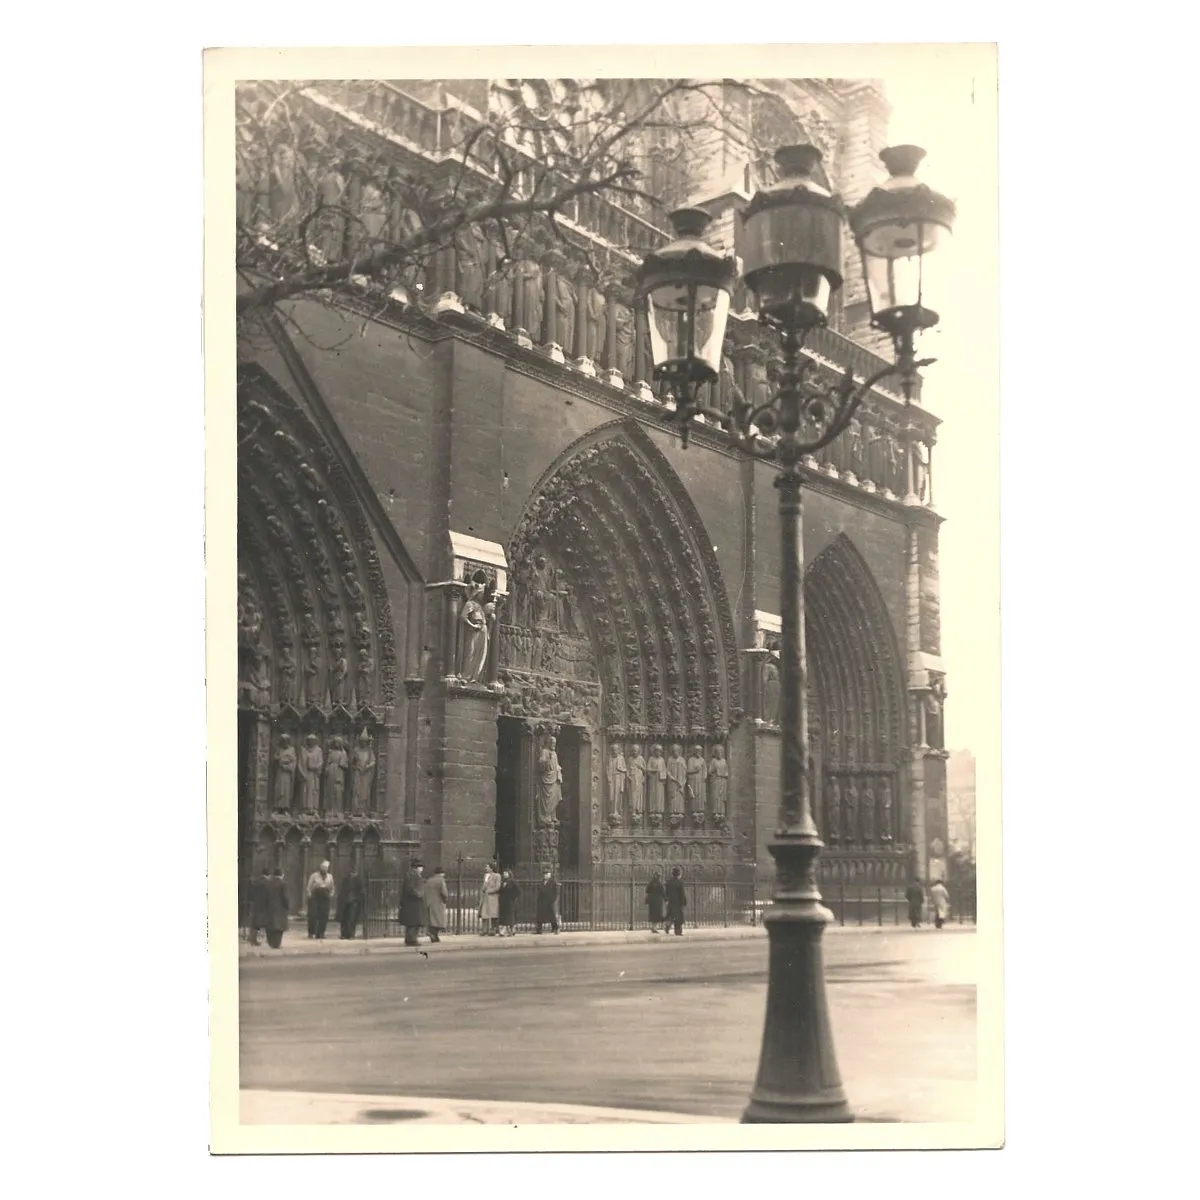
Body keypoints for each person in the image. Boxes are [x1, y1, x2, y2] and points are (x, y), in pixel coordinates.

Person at [306, 860, 335, 939]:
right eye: (323, 867)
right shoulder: (314, 875)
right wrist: (310, 895)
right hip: (315, 897)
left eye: (325, 868)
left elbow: (332, 888)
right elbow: (308, 887)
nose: (324, 869)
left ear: (327, 869)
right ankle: (311, 932)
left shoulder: (330, 876)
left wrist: (330, 895)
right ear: (320, 867)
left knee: (324, 916)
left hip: (325, 898)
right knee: (313, 915)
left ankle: (321, 933)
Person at [263, 866, 290, 949]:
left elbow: (265, 897)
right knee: (279, 928)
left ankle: (271, 942)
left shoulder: (268, 883)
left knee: (270, 926)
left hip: (270, 907)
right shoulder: (283, 884)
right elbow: (285, 897)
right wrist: (287, 906)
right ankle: (277, 944)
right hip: (280, 908)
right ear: (281, 875)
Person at [401, 859, 426, 946]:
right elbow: (410, 889)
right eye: (421, 867)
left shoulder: (412, 875)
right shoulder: (412, 875)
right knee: (414, 922)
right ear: (416, 867)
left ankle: (409, 939)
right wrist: (418, 894)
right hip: (413, 903)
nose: (422, 868)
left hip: (413, 903)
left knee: (413, 922)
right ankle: (412, 940)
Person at [338, 864, 365, 939]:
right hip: (346, 901)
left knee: (352, 918)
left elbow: (361, 891)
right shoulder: (346, 879)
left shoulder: (359, 880)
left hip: (354, 901)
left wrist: (357, 899)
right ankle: (344, 934)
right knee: (345, 918)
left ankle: (351, 934)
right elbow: (342, 890)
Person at [423, 866, 448, 943]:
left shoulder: (429, 880)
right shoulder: (441, 880)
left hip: (428, 902)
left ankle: (434, 936)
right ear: (442, 873)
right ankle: (434, 934)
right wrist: (445, 899)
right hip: (438, 903)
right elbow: (444, 892)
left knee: (431, 920)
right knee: (439, 920)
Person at [248, 863, 270, 945]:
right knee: (267, 923)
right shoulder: (267, 882)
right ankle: (269, 940)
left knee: (255, 923)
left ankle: (252, 939)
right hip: (264, 905)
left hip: (255, 904)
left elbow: (251, 892)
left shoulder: (256, 881)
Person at [535, 866, 560, 934]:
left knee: (551, 915)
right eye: (545, 874)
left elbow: (556, 892)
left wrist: (552, 899)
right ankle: (539, 930)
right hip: (542, 901)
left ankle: (555, 928)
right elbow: (539, 891)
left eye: (547, 874)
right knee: (540, 916)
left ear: (550, 875)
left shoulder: (553, 882)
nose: (546, 875)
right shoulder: (542, 882)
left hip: (549, 901)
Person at [479, 862, 501, 936]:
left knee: (493, 914)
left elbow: (497, 887)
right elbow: (484, 886)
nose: (486, 868)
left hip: (493, 897)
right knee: (484, 913)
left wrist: (490, 891)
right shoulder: (486, 876)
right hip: (485, 897)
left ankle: (493, 929)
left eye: (487, 867)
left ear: (491, 868)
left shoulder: (497, 876)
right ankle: (484, 929)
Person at [498, 869, 521, 937]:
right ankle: (510, 930)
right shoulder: (503, 881)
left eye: (506, 873)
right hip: (503, 901)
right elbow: (500, 891)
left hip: (510, 901)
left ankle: (507, 930)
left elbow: (518, 891)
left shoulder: (513, 881)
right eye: (504, 873)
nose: (504, 874)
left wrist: (513, 898)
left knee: (509, 916)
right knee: (505, 916)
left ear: (509, 874)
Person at [665, 866, 686, 936]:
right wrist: (683, 903)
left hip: (671, 902)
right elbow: (682, 894)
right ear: (679, 874)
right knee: (679, 918)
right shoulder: (680, 882)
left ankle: (668, 925)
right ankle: (678, 931)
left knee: (671, 916)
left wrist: (667, 900)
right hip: (678, 903)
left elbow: (666, 892)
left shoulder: (668, 882)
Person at [645, 868, 666, 933]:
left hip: (652, 901)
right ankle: (654, 928)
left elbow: (647, 891)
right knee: (657, 914)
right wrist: (666, 899)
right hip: (658, 901)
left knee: (652, 914)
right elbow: (663, 893)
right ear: (659, 877)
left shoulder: (650, 883)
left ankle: (653, 927)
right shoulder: (660, 884)